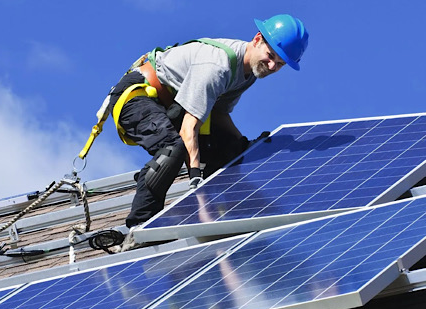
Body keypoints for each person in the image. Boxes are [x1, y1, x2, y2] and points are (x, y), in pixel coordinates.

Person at [109, 14, 308, 251]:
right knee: (173, 149)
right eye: (271, 56)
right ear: (257, 40)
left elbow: (219, 115)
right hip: (137, 96)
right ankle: (140, 228)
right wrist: (195, 178)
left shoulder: (248, 74)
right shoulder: (218, 66)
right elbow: (188, 128)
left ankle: (228, 213)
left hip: (171, 107)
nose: (273, 66)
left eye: (281, 63)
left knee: (231, 150)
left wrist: (242, 144)